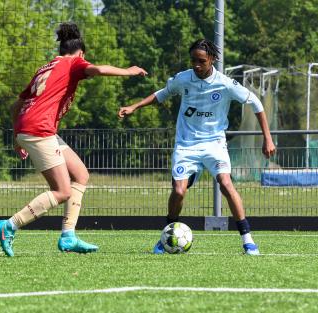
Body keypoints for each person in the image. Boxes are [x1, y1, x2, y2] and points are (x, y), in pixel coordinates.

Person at [0, 22, 147, 257]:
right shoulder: (74, 63)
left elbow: (16, 106)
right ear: (81, 53)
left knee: (80, 174)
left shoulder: (45, 68)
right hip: (40, 130)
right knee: (62, 190)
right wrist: (129, 71)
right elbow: (97, 70)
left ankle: (68, 236)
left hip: (32, 129)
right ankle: (10, 225)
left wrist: (18, 136)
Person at [118, 39, 275, 255]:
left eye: (201, 61)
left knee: (226, 184)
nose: (196, 65)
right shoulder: (183, 79)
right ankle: (167, 235)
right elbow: (162, 94)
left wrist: (268, 138)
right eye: (193, 60)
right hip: (186, 145)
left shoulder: (225, 84)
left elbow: (256, 103)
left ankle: (248, 241)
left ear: (212, 59)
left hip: (214, 144)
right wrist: (134, 106)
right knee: (179, 191)